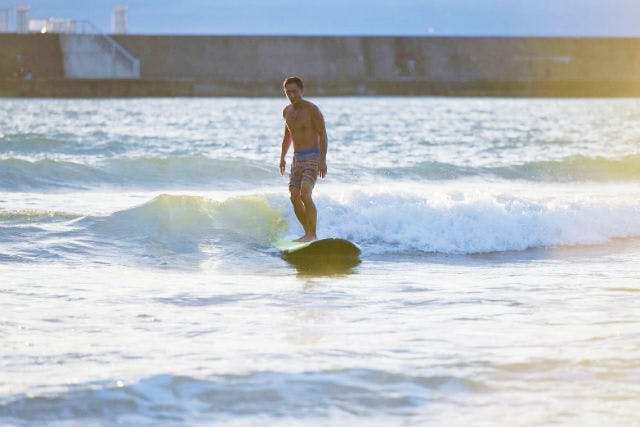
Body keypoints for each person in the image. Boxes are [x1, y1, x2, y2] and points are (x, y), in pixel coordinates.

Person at [279, 76, 328, 242]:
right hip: (297, 159)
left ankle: (312, 234)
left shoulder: (312, 110)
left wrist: (322, 160)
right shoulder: (286, 111)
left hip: (313, 156)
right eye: (288, 93)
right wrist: (282, 158)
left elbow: (323, 134)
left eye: (294, 92)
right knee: (294, 196)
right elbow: (287, 136)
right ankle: (307, 233)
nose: (292, 95)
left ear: (302, 91)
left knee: (305, 193)